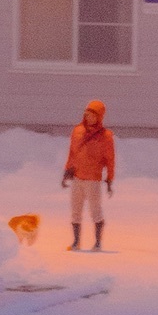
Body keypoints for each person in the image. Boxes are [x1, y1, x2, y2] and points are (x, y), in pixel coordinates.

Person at [62, 99, 115, 251]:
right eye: (87, 114)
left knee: (95, 211)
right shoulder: (77, 131)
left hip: (93, 180)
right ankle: (76, 241)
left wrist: (110, 179)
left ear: (99, 117)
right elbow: (72, 153)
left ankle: (97, 242)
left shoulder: (105, 136)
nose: (89, 117)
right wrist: (67, 171)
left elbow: (110, 160)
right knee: (75, 210)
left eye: (93, 115)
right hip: (77, 177)